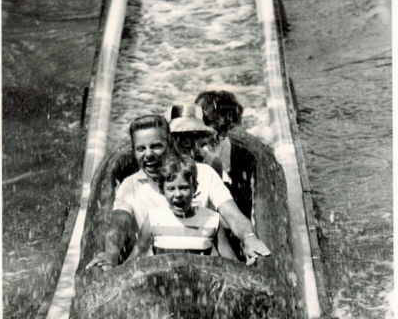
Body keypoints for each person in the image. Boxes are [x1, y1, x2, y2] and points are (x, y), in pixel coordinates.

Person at [86, 114, 270, 271]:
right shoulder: (130, 185)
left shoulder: (204, 173)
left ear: (170, 143)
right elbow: (118, 226)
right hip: (152, 275)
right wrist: (110, 254)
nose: (148, 155)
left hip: (201, 271)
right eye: (141, 149)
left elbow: (232, 215)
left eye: (156, 146)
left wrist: (249, 238)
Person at [126, 155, 237, 260]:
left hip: (199, 280)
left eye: (184, 188)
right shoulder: (153, 219)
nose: (178, 194)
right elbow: (134, 261)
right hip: (163, 280)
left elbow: (231, 262)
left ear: (194, 188)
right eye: (171, 189)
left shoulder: (212, 220)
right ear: (162, 190)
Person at [195, 90, 243, 182]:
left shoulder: (224, 142)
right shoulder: (188, 140)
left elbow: (223, 172)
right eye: (219, 129)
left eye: (227, 129)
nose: (224, 135)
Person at [163, 104, 223, 178]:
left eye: (195, 135)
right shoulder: (162, 161)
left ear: (203, 137)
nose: (188, 141)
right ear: (171, 137)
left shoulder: (212, 162)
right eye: (181, 135)